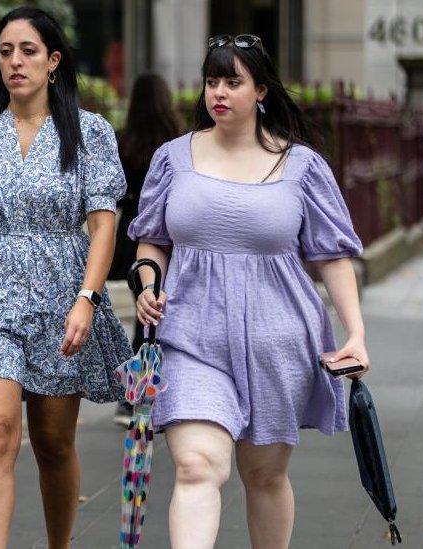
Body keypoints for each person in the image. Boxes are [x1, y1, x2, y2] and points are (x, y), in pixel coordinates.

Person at [128, 34, 369, 549]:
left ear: (260, 89)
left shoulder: (301, 166)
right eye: (212, 81)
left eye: (233, 82)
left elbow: (331, 255)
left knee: (263, 476)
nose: (219, 92)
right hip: (190, 332)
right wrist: (147, 281)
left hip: (277, 339)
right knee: (196, 466)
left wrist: (356, 334)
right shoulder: (174, 157)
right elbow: (152, 241)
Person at [0, 7, 132, 548]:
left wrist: (88, 298)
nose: (14, 62)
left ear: (54, 61)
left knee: (52, 442)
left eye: (28, 51)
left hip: (61, 294)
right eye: (5, 51)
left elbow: (103, 223)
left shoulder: (89, 132)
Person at [110, 73, 185, 426]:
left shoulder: (125, 141)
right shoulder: (177, 141)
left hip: (134, 233)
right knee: (166, 312)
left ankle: (136, 395)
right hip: (172, 233)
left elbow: (116, 191)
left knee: (145, 318)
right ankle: (157, 390)